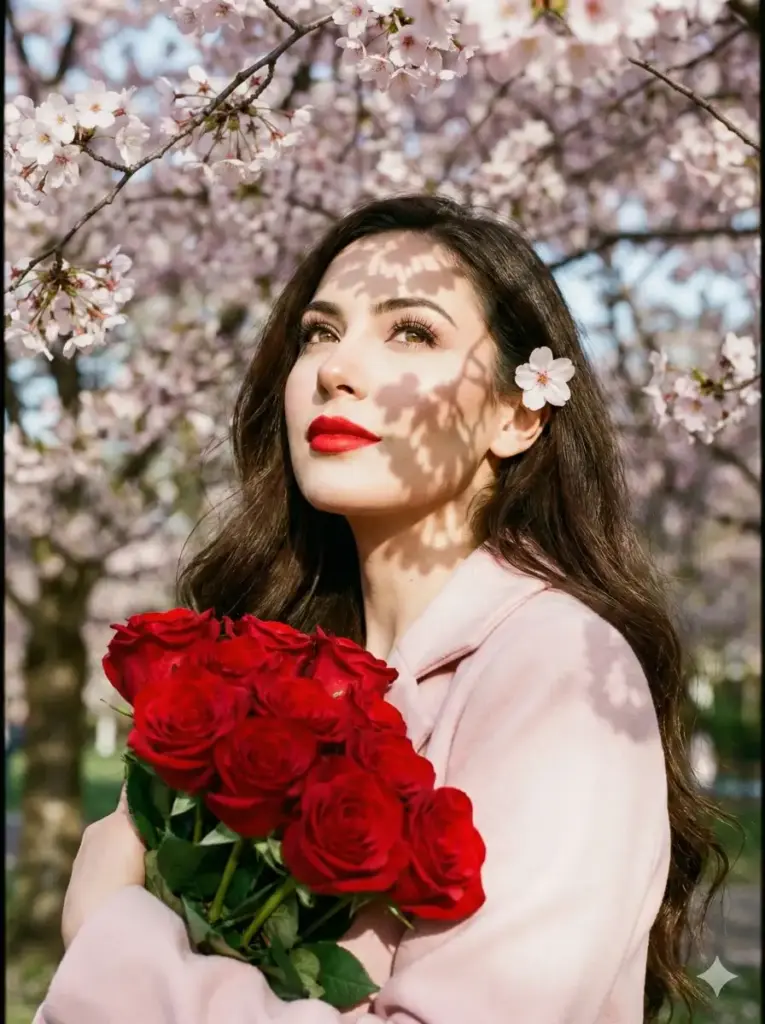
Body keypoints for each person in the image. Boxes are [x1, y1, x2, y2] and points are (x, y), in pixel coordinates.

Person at [36, 194, 728, 1023]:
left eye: (412, 332)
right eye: (318, 332)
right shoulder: (267, 668)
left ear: (518, 413)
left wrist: (112, 945)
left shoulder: (556, 672)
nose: (335, 368)